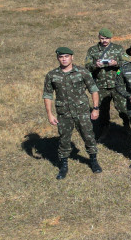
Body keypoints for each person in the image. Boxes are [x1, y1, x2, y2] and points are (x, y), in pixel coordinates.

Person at [43, 46, 102, 179]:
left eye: (66, 57)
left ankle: (93, 160)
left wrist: (95, 108)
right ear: (58, 58)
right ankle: (63, 165)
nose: (64, 59)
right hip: (64, 113)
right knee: (64, 139)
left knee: (88, 137)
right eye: (61, 57)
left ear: (72, 57)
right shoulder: (52, 75)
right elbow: (47, 95)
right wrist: (50, 114)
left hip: (82, 112)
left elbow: (93, 89)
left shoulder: (82, 72)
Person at [85, 28, 131, 138]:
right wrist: (95, 65)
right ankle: (104, 129)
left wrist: (116, 63)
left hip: (117, 84)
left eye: (107, 38)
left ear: (110, 38)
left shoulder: (118, 49)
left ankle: (127, 126)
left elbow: (127, 63)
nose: (104, 40)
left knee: (123, 108)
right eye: (102, 38)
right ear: (99, 38)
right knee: (103, 110)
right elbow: (87, 66)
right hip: (100, 86)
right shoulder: (92, 50)